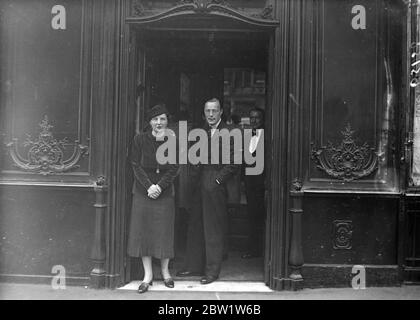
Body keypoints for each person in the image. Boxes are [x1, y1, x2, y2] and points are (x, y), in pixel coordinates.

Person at [177, 98, 239, 284]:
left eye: (214, 111)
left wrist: (218, 180)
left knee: (213, 228)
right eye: (208, 111)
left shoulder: (230, 132)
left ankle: (212, 271)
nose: (211, 114)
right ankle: (194, 266)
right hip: (198, 182)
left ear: (221, 112)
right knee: (195, 225)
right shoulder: (200, 131)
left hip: (215, 182)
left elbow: (234, 162)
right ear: (203, 113)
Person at [127, 104, 179, 294]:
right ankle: (147, 276)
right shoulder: (139, 139)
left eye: (162, 119)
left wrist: (160, 186)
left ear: (167, 121)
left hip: (164, 191)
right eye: (155, 119)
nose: (159, 123)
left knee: (164, 232)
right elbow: (135, 164)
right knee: (144, 233)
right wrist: (149, 186)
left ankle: (165, 273)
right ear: (149, 122)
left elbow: (175, 167)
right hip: (143, 191)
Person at [242, 107, 266, 259]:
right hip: (250, 183)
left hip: (262, 184)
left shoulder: (266, 136)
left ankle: (259, 250)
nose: (254, 120)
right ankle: (254, 249)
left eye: (257, 117)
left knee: (259, 217)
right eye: (251, 117)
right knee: (252, 217)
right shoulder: (248, 135)